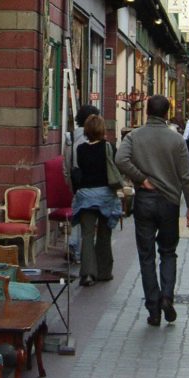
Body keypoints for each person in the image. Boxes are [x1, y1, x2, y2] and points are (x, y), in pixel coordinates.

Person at [115, 95, 189, 326]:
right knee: (168, 252)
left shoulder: (134, 136)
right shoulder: (177, 140)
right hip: (170, 201)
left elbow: (120, 159)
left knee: (146, 254)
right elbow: (187, 176)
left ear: (147, 112)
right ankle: (167, 297)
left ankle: (153, 308)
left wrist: (140, 179)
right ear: (167, 113)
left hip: (145, 201)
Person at [71, 114, 121, 286]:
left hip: (86, 196)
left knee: (87, 234)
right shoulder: (109, 147)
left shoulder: (80, 149)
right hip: (105, 195)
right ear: (102, 130)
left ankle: (87, 274)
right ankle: (104, 272)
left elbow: (78, 170)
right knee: (104, 234)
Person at [63, 104, 100, 262]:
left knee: (77, 216)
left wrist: (72, 187)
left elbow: (66, 167)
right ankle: (85, 253)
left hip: (77, 184)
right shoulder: (95, 139)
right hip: (93, 185)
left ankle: (73, 247)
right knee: (90, 222)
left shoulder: (70, 137)